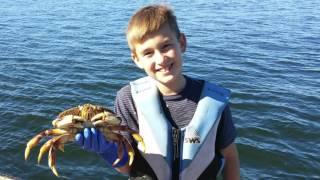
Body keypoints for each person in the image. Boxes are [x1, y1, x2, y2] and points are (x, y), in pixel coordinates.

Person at [75, 4, 240, 180]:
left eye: (166, 46)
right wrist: (107, 150)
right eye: (148, 53)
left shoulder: (214, 101)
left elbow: (229, 156)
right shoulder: (128, 99)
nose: (160, 59)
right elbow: (127, 167)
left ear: (182, 43)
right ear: (136, 59)